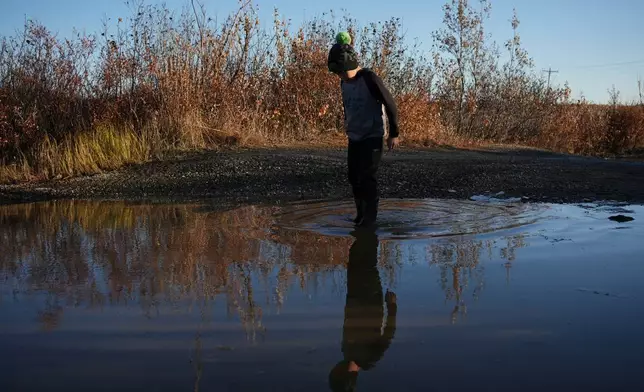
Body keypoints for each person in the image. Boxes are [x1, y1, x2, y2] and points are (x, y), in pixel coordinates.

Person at [327, 32, 400, 227]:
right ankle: (360, 214)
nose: (341, 76)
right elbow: (347, 104)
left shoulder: (369, 78)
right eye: (338, 74)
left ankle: (370, 218)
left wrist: (394, 133)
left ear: (351, 65)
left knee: (367, 177)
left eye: (343, 72)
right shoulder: (344, 82)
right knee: (354, 177)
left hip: (373, 135)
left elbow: (391, 104)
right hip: (355, 136)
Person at [328, 229, 398, 392]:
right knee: (366, 259)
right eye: (334, 372)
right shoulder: (370, 359)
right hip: (369, 298)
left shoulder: (347, 353)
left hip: (354, 296)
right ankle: (369, 227)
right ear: (341, 374)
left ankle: (366, 227)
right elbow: (389, 333)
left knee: (356, 255)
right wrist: (392, 306)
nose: (333, 367)